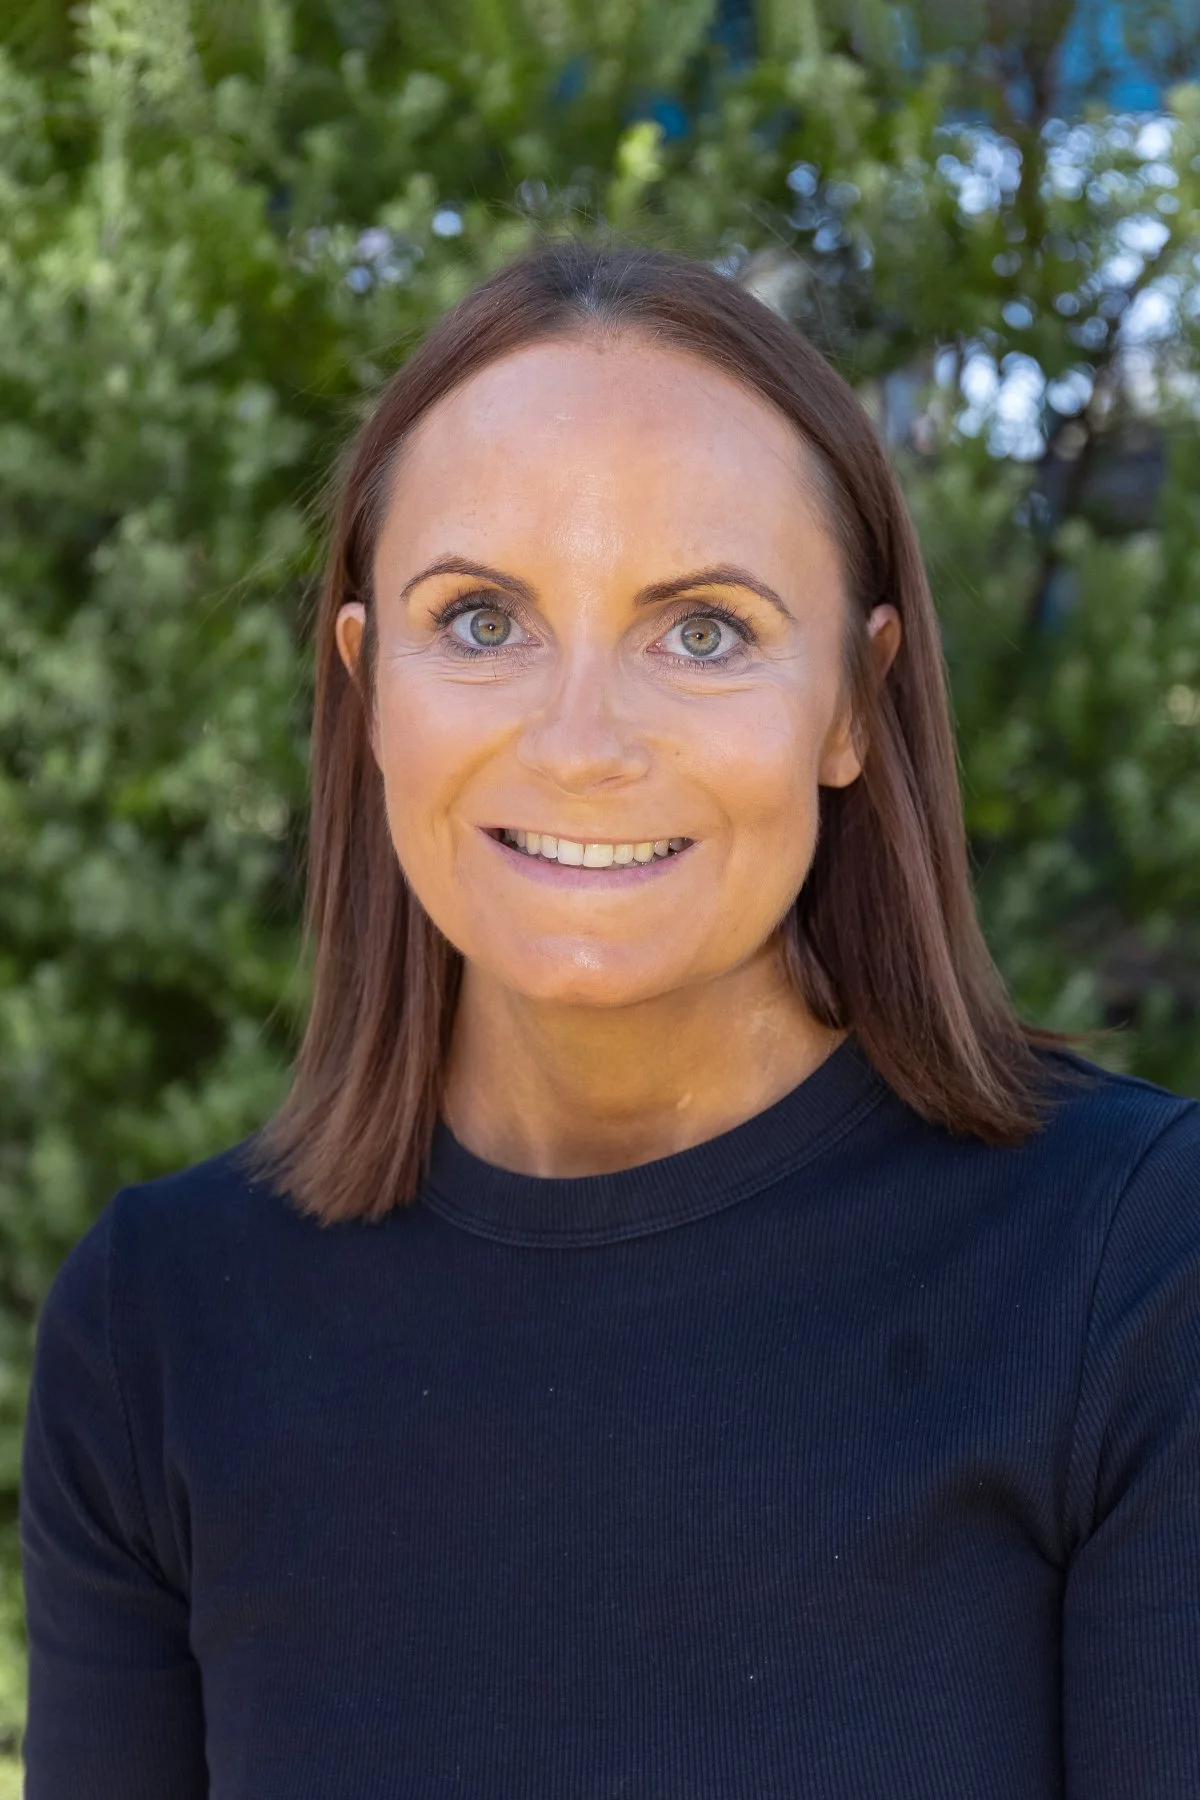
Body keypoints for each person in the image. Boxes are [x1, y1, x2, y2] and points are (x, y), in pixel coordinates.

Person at [20, 241, 1200, 1799]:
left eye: (701, 629)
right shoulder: (157, 1328)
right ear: (365, 678)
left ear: (854, 700)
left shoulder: (1134, 1272)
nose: (582, 745)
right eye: (483, 621)